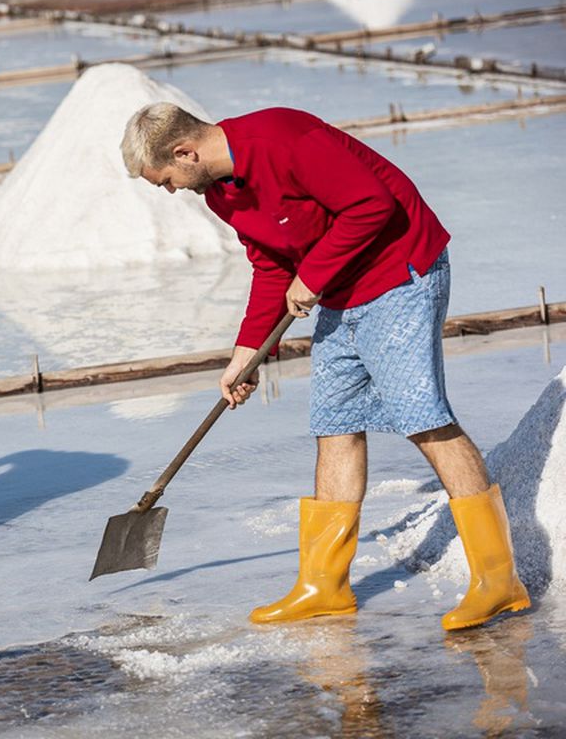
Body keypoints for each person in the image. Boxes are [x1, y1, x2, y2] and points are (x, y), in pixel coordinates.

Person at [120, 103, 529, 631]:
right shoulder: (221, 193)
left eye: (168, 180)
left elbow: (370, 205)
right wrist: (246, 353)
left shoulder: (284, 137)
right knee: (334, 426)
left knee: (423, 419)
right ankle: (324, 587)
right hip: (340, 290)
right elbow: (270, 264)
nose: (173, 190)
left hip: (399, 276)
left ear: (185, 152)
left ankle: (499, 583)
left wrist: (311, 277)